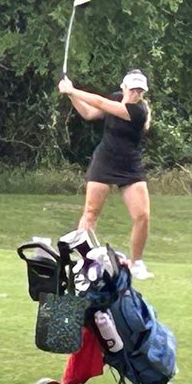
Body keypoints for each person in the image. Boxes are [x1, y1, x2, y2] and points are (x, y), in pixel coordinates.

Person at [59, 68, 154, 279]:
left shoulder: (138, 111)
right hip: (104, 161)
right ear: (124, 86)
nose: (136, 93)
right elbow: (89, 113)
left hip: (130, 166)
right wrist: (71, 95)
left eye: (140, 90)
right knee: (90, 213)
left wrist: (73, 88)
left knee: (142, 216)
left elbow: (100, 103)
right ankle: (85, 261)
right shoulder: (116, 99)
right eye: (133, 88)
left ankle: (136, 262)